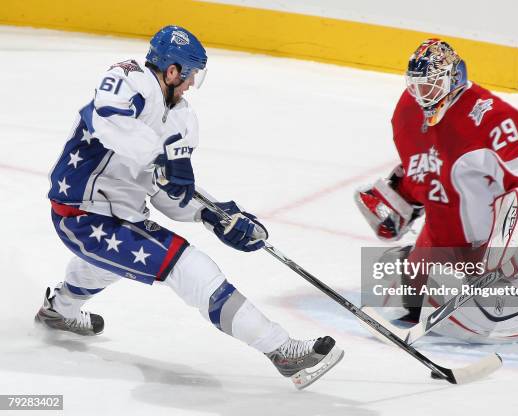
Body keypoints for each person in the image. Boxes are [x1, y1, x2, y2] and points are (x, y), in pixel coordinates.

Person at [36, 25, 343, 389]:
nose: (192, 84)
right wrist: (160, 155)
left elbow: (168, 194)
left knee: (105, 266)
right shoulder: (128, 77)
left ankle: (59, 309)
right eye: (190, 74)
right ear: (171, 70)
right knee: (190, 267)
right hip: (82, 214)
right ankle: (282, 350)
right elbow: (107, 118)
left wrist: (212, 214)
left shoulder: (183, 120)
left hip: (121, 217)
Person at [356, 39, 518, 342]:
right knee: (395, 289)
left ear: (454, 78)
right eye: (418, 86)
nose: (424, 95)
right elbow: (430, 164)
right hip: (442, 239)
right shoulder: (407, 112)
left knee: (478, 323)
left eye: (432, 86)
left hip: (494, 246)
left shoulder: (491, 118)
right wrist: (403, 196)